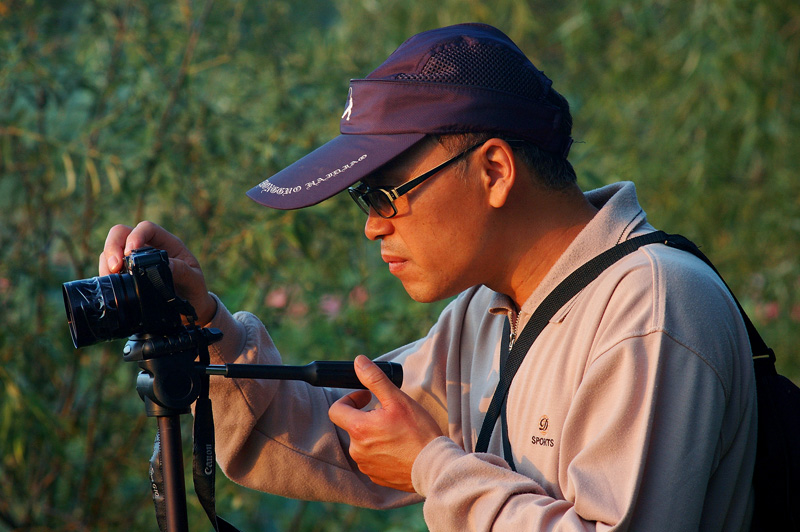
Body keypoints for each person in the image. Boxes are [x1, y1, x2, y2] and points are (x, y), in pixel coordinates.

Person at [99, 23, 757, 531]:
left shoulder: (650, 309)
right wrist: (206, 325)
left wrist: (431, 466)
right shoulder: (488, 312)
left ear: (495, 170)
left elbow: (420, 455)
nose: (374, 226)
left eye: (387, 193)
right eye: (364, 201)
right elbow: (338, 434)